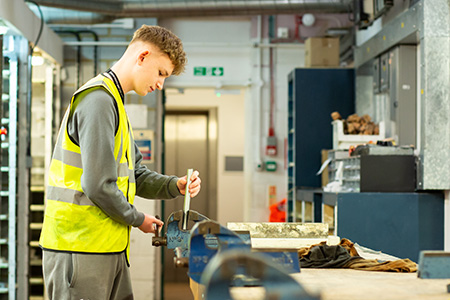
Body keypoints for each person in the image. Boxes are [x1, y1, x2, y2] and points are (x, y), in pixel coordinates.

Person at [39, 25, 201, 300]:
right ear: (142, 56)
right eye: (161, 73)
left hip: (107, 247)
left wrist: (176, 186)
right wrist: (138, 219)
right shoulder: (98, 101)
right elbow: (98, 185)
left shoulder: (115, 104)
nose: (160, 84)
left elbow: (134, 173)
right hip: (79, 249)